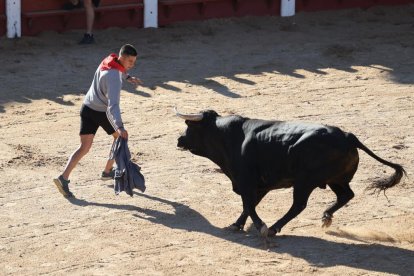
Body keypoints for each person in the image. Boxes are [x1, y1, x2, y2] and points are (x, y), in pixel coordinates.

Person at [53, 44, 143, 198]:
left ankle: (63, 178)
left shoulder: (109, 59)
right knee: (119, 137)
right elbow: (113, 105)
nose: (132, 65)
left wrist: (128, 77)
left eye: (134, 62)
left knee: (84, 147)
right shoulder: (114, 77)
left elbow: (119, 70)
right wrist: (120, 127)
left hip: (87, 108)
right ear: (122, 58)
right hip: (101, 112)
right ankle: (107, 172)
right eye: (130, 62)